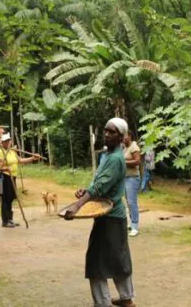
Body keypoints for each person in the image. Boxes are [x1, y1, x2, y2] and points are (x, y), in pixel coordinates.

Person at [64, 118, 136, 307]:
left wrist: (77, 205)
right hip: (111, 215)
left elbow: (100, 186)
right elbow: (98, 183)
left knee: (96, 263)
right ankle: (126, 297)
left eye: (111, 132)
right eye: (105, 131)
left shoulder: (114, 159)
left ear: (120, 137)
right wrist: (86, 190)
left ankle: (103, 303)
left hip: (110, 216)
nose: (106, 134)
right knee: (118, 257)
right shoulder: (109, 155)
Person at [0, 133, 41, 228]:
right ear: (2, 143)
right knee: (5, 198)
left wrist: (32, 158)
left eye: (9, 141)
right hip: (4, 177)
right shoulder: (1, 152)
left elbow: (20, 160)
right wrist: (5, 169)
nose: (8, 142)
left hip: (13, 177)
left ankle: (10, 219)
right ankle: (5, 221)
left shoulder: (12, 151)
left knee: (11, 197)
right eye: (6, 141)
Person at [123, 131, 141, 237]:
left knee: (131, 202)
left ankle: (135, 226)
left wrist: (123, 162)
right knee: (128, 202)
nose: (123, 138)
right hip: (125, 178)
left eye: (125, 136)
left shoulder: (134, 147)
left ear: (130, 136)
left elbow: (137, 161)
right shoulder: (124, 148)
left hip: (132, 178)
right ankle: (131, 222)